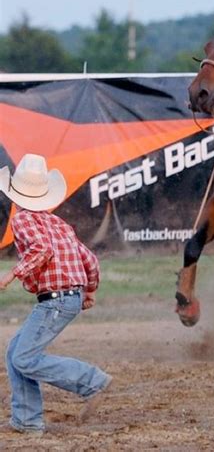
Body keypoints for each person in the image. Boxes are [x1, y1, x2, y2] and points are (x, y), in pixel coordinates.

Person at [0, 153, 112, 435]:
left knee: (23, 357)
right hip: (69, 298)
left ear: (15, 193)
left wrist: (13, 274)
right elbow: (90, 260)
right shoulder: (58, 224)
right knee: (16, 352)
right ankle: (27, 420)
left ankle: (91, 382)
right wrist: (89, 292)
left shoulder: (23, 220)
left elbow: (41, 250)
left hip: (55, 300)